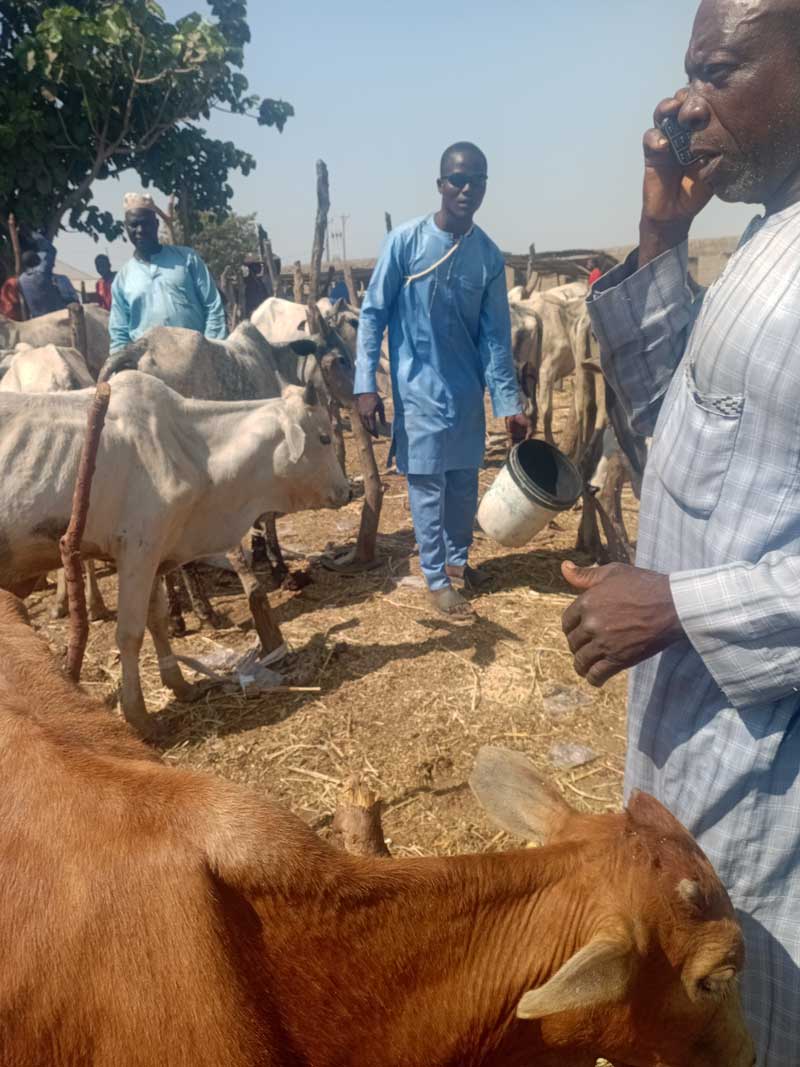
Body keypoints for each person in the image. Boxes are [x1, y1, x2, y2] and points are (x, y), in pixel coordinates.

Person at [561, 1, 800, 1062]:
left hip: (771, 771)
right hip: (695, 730)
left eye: (715, 73)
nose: (683, 111)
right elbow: (675, 434)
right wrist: (660, 233)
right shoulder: (768, 237)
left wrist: (674, 602)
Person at [354, 142, 529, 620]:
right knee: (428, 484)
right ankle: (435, 579)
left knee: (463, 484)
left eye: (477, 179)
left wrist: (509, 403)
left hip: (465, 391)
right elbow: (372, 315)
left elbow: (495, 337)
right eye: (457, 179)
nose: (466, 188)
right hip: (416, 388)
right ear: (440, 185)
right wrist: (365, 384)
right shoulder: (405, 243)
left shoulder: (488, 257)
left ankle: (457, 565)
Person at [109, 193, 227, 352]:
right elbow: (119, 333)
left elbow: (213, 306)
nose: (140, 230)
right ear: (126, 227)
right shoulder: (122, 278)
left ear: (156, 224)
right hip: (148, 365)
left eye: (146, 224)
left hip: (196, 357)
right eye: (134, 225)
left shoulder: (187, 258)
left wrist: (212, 351)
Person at [17, 234, 68, 318]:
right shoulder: (43, 272)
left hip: (37, 319)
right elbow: (52, 250)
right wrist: (33, 233)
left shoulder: (21, 280)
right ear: (37, 260)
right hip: (56, 316)